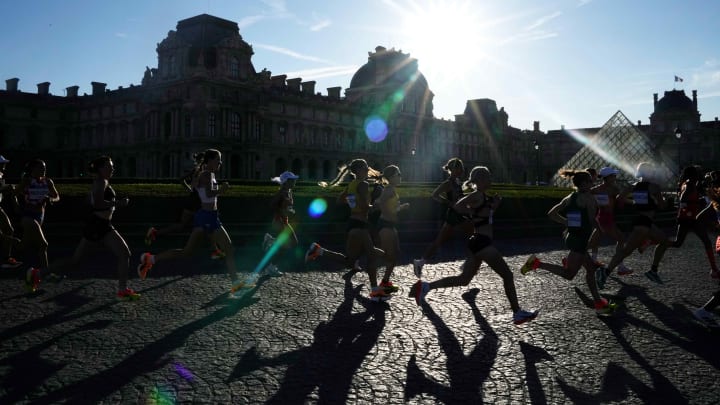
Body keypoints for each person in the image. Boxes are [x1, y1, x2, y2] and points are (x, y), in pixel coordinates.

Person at [409, 166, 539, 324]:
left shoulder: (483, 196)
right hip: (482, 243)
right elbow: (458, 207)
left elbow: (484, 215)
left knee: (464, 280)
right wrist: (472, 214)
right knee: (508, 275)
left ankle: (426, 287)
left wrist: (492, 206)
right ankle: (517, 312)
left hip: (478, 241)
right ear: (480, 180)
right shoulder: (476, 195)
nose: (490, 180)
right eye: (488, 177)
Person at [136, 149, 251, 294]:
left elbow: (198, 190)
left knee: (186, 252)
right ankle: (236, 284)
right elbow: (209, 193)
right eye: (218, 160)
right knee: (228, 248)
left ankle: (151, 259)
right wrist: (223, 189)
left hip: (206, 216)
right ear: (209, 161)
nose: (220, 163)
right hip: (208, 217)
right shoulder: (207, 174)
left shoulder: (205, 174)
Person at [520, 169, 614, 316]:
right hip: (580, 240)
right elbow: (590, 221)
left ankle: (599, 303)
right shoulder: (589, 199)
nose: (593, 183)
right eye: (590, 181)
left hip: (572, 236)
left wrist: (567, 223)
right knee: (569, 274)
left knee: (590, 269)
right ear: (583, 183)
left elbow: (551, 213)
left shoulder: (570, 197)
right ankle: (537, 263)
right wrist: (599, 229)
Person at [51, 156, 140, 300]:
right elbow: (97, 204)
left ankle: (39, 273)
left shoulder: (100, 182)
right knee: (122, 254)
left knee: (122, 254)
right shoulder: (101, 182)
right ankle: (39, 272)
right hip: (98, 225)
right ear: (100, 169)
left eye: (112, 166)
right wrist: (119, 203)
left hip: (101, 224)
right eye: (108, 167)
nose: (112, 169)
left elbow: (90, 201)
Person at [304, 159, 388, 301]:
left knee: (350, 262)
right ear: (360, 170)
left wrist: (353, 202)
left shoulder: (352, 184)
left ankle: (318, 250)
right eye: (366, 168)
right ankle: (375, 291)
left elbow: (339, 200)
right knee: (372, 255)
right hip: (360, 225)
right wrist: (377, 204)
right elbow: (366, 207)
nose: (368, 170)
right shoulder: (363, 184)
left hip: (353, 223)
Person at [596, 162, 671, 287]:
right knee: (627, 251)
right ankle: (605, 272)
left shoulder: (632, 186)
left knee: (663, 242)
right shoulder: (654, 187)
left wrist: (635, 202)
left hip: (640, 221)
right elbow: (662, 206)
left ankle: (652, 269)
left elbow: (620, 198)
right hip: (644, 223)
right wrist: (665, 202)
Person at [144, 152, 224, 260]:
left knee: (185, 225)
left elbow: (182, 180)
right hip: (197, 203)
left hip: (192, 200)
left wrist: (192, 190)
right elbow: (207, 192)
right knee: (206, 224)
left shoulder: (196, 171)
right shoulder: (204, 173)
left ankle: (155, 233)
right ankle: (215, 250)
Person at [650, 165, 718, 280]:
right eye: (698, 173)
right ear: (694, 175)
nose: (699, 175)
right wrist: (696, 202)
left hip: (687, 217)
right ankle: (714, 269)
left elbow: (684, 199)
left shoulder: (686, 183)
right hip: (689, 218)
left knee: (679, 243)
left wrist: (694, 202)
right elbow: (683, 199)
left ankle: (650, 242)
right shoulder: (690, 185)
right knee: (704, 241)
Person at [412, 158, 473, 278]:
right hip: (454, 215)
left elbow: (459, 197)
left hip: (457, 214)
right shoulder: (448, 183)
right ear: (453, 169)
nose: (462, 170)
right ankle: (468, 261)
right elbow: (435, 195)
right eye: (459, 167)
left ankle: (420, 262)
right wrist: (449, 203)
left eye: (461, 167)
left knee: (440, 241)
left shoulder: (457, 182)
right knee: (473, 233)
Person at [14, 159, 60, 292]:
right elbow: (14, 194)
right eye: (40, 168)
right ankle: (46, 274)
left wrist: (50, 199)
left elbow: (57, 196)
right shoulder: (27, 181)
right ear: (32, 169)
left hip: (40, 217)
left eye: (44, 167)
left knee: (23, 245)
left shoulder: (48, 181)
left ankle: (5, 239)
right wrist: (17, 207)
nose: (43, 170)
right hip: (28, 216)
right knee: (43, 244)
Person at [586, 167, 633, 275]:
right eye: (614, 176)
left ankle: (572, 259)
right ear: (608, 177)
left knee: (591, 243)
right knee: (621, 239)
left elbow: (587, 199)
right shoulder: (613, 189)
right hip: (607, 218)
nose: (615, 178)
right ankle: (620, 266)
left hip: (599, 217)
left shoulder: (595, 189)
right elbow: (620, 201)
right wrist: (633, 202)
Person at [372, 165, 409, 295]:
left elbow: (380, 203)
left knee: (394, 255)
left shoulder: (391, 189)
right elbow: (382, 204)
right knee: (389, 255)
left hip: (390, 225)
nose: (400, 177)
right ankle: (379, 286)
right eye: (398, 174)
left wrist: (398, 207)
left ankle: (385, 283)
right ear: (392, 177)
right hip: (386, 225)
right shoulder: (389, 190)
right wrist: (397, 210)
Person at [692, 171, 720, 326]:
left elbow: (700, 218)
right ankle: (703, 311)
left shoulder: (715, 201)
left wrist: (716, 228)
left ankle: (704, 311)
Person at [261, 171, 300, 275]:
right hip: (279, 221)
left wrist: (289, 211)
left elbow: (287, 207)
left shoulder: (289, 191)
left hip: (285, 221)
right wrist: (282, 212)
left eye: (294, 179)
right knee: (289, 244)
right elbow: (272, 205)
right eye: (292, 180)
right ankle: (271, 266)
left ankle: (270, 241)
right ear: (286, 182)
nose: (294, 181)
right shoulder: (282, 192)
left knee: (292, 243)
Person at [0, 155, 22, 269]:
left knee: (9, 229)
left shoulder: (1, 175)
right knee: (7, 232)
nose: (4, 166)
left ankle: (6, 257)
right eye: (2, 164)